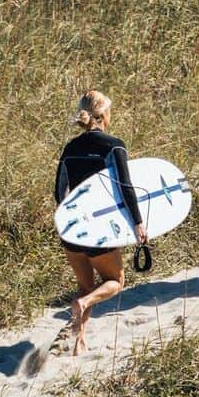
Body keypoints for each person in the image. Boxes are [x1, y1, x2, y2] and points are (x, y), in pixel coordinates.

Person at [54, 89, 147, 355]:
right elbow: (125, 187)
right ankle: (83, 304)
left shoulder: (70, 148)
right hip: (97, 232)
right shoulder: (113, 145)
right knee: (115, 280)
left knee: (85, 284)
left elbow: (59, 193)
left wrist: (69, 223)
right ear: (104, 114)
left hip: (71, 231)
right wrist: (138, 223)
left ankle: (78, 341)